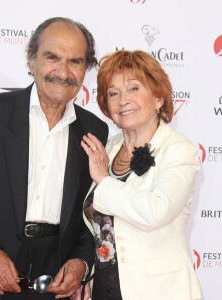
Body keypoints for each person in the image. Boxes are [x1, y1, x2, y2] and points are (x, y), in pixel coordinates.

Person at [0, 17, 108, 300]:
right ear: (31, 59)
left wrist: (81, 262)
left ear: (86, 68)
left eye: (75, 61)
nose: (63, 72)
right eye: (52, 57)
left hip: (53, 283)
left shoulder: (94, 130)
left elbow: (92, 210)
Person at [76, 50, 202, 300]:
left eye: (134, 89)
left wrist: (104, 179)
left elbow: (156, 211)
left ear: (157, 98)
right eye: (113, 93)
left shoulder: (177, 149)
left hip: (158, 291)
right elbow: (102, 229)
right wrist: (87, 274)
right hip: (106, 289)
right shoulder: (108, 150)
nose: (123, 100)